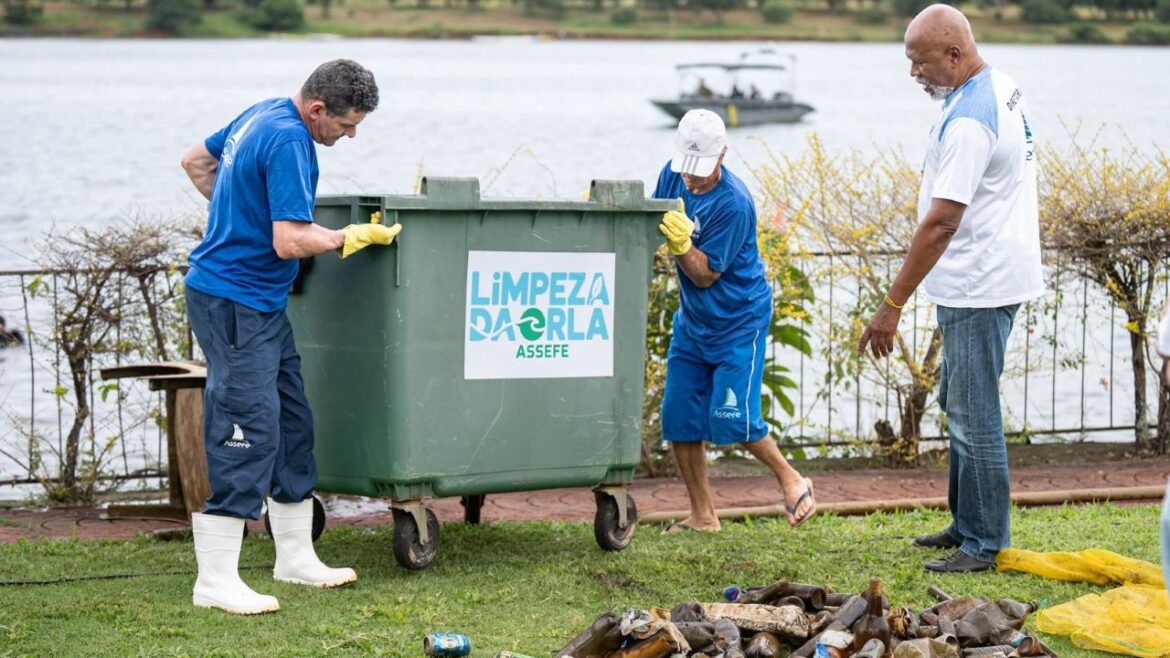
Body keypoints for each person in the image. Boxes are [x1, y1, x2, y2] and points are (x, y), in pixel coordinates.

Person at [179, 59, 400, 615]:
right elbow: (289, 241)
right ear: (317, 109)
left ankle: (295, 556)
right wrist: (346, 236)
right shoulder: (288, 140)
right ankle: (215, 580)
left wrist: (238, 222)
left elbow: (196, 162)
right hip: (234, 301)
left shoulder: (261, 113)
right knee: (246, 422)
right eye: (347, 125)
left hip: (258, 302)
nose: (349, 136)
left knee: (291, 419)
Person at [857, 5, 1043, 573]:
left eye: (922, 62)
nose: (914, 73)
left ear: (955, 55)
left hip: (978, 284)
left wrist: (890, 306)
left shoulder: (968, 120)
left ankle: (983, 542)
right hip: (985, 274)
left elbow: (941, 222)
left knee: (972, 412)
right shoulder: (998, 86)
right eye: (909, 62)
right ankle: (967, 522)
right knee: (957, 402)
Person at [654, 109, 816, 534]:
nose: (690, 179)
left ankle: (791, 479)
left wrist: (680, 243)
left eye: (700, 170)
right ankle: (703, 516)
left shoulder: (734, 203)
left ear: (722, 154)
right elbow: (648, 222)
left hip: (737, 320)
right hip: (693, 322)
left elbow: (705, 274)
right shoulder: (672, 177)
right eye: (686, 169)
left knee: (733, 417)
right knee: (679, 416)